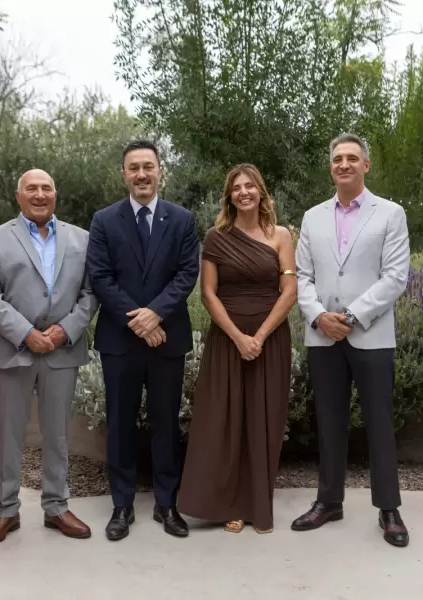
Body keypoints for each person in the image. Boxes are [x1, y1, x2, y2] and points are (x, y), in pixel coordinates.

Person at [292, 133, 411, 547]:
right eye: (337, 158)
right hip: (323, 335)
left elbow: (395, 276)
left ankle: (389, 509)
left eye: (352, 158)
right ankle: (329, 501)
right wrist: (319, 316)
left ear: (366, 165)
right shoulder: (312, 218)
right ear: (331, 166)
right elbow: (302, 277)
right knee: (329, 422)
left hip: (372, 334)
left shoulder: (390, 214)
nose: (344, 164)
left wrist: (353, 315)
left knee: (379, 422)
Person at [0, 169, 98, 545]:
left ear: (55, 196)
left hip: (62, 348)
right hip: (12, 349)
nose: (40, 194)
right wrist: (27, 334)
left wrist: (65, 329)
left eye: (46, 188)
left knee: (58, 433)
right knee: (9, 433)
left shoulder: (82, 238)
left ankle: (57, 506)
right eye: (32, 188)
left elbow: (91, 293)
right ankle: (6, 511)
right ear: (19, 195)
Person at [86, 140, 200, 541]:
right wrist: (140, 320)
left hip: (167, 338)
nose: (141, 174)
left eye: (148, 166)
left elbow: (187, 274)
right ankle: (122, 505)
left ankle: (167, 504)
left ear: (159, 170)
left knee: (166, 422)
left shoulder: (182, 219)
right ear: (124, 174)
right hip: (120, 339)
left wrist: (156, 314)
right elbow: (100, 277)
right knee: (120, 424)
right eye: (133, 167)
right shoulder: (103, 221)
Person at [177, 164, 296, 534]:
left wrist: (259, 337)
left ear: (261, 192)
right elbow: (208, 294)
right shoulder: (215, 237)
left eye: (250, 186)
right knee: (224, 422)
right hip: (228, 340)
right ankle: (229, 503)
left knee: (264, 419)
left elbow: (289, 292)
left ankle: (257, 504)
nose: (243, 192)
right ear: (229, 195)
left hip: (270, 337)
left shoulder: (281, 236)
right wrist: (238, 337)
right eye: (236, 187)